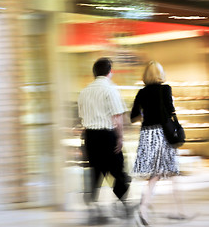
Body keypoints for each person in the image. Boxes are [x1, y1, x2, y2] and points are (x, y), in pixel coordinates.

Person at [78, 57, 131, 224]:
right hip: (107, 135)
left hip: (90, 137)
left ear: (94, 73)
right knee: (117, 169)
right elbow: (117, 116)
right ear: (110, 72)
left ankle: (93, 205)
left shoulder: (84, 91)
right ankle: (123, 202)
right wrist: (120, 137)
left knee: (95, 169)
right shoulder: (110, 89)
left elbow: (82, 116)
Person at [130, 61, 182, 226]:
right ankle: (177, 211)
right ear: (160, 74)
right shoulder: (165, 89)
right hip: (162, 134)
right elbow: (170, 110)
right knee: (171, 171)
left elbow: (133, 116)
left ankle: (144, 210)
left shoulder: (141, 92)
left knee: (156, 175)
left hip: (147, 135)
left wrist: (146, 114)